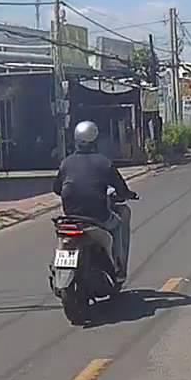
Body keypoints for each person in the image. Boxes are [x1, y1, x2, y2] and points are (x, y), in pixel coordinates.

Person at [53, 120, 137, 281]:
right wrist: (128, 194)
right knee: (118, 225)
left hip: (70, 218)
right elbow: (122, 190)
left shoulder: (66, 163)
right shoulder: (104, 162)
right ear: (95, 140)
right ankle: (118, 267)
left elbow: (57, 189)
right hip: (97, 218)